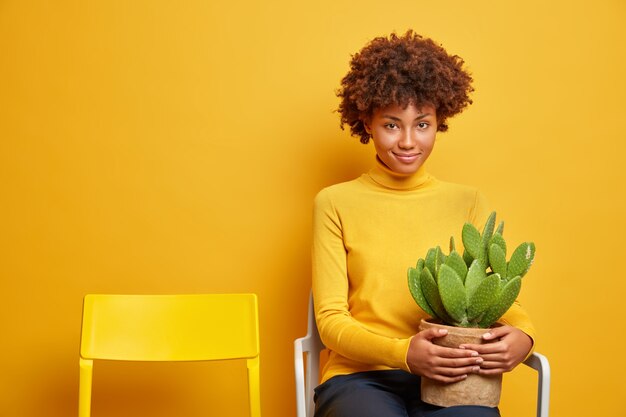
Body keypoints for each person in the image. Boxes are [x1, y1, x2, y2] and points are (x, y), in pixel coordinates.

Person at [311, 31, 535, 417]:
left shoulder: (469, 201)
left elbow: (496, 293)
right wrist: (403, 353)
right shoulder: (334, 202)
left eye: (423, 124)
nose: (409, 142)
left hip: (453, 373)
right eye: (392, 125)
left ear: (439, 122)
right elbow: (330, 320)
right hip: (359, 377)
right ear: (366, 122)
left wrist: (525, 334)